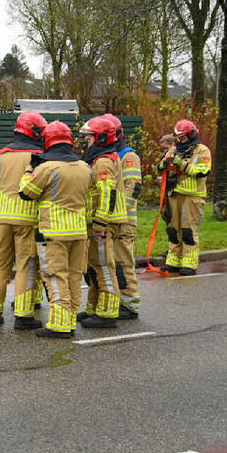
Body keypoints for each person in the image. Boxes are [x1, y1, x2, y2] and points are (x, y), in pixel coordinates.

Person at [18, 121, 91, 338]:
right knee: (74, 277)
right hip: (79, 232)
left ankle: (59, 326)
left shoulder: (46, 168)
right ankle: (68, 321)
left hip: (53, 233)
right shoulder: (85, 167)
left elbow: (26, 192)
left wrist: (29, 169)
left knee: (55, 276)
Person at [0, 110, 47, 329]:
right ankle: (24, 316)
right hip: (28, 220)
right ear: (35, 131)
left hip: (2, 220)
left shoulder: (1, 154)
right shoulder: (40, 155)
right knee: (26, 266)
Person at [78, 115, 127, 328]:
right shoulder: (99, 159)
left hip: (102, 225)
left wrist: (99, 224)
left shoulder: (103, 161)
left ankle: (107, 314)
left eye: (89, 137)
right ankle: (94, 308)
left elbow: (107, 194)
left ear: (101, 138)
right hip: (98, 222)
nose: (86, 141)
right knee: (95, 267)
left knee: (104, 266)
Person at [158, 119, 212, 275]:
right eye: (178, 137)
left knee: (188, 231)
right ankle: (173, 261)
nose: (179, 140)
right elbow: (160, 167)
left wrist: (180, 164)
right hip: (174, 195)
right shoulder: (174, 150)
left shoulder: (202, 151)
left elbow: (202, 171)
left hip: (192, 197)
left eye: (182, 137)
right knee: (173, 230)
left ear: (192, 134)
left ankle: (189, 263)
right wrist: (165, 165)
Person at [104, 114, 142, 319]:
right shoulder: (110, 155)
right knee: (111, 263)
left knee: (124, 261)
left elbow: (133, 187)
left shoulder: (128, 156)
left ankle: (130, 304)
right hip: (111, 219)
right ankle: (116, 301)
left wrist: (120, 213)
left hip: (124, 220)